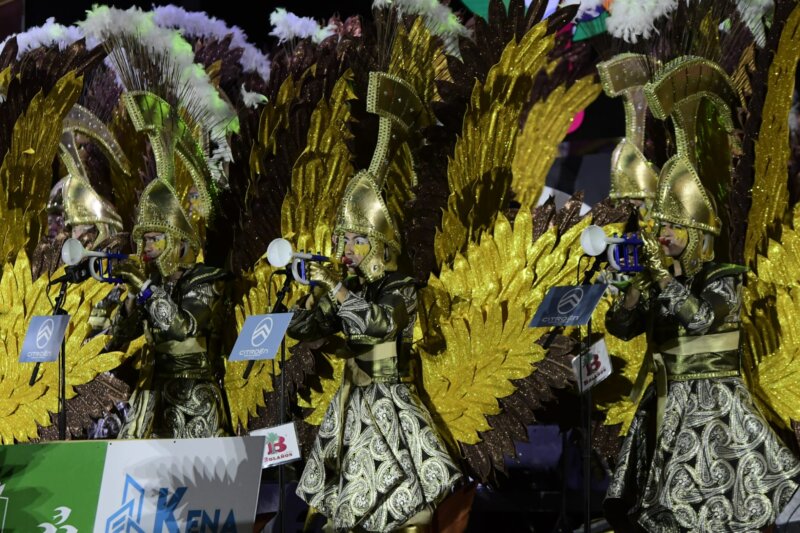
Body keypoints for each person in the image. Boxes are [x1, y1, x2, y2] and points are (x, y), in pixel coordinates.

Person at [603, 167, 800, 531]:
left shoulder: (723, 277)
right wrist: (630, 296)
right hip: (663, 395)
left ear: (695, 233)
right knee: (653, 502)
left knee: (709, 497)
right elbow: (622, 329)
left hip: (709, 400)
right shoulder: (658, 281)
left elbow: (701, 320)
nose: (662, 236)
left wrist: (662, 280)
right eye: (660, 228)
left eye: (670, 228)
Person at [288, 170, 462, 532]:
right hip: (350, 399)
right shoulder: (348, 288)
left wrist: (335, 287)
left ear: (378, 245)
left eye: (357, 240)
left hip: (387, 398)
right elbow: (305, 330)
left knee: (404, 503)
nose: (347, 249)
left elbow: (381, 324)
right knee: (341, 506)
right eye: (344, 240)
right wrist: (305, 297)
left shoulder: (399, 286)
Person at [108, 179, 231, 439]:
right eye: (143, 241)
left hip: (193, 393)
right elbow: (120, 336)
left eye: (154, 239)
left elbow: (182, 327)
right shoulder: (152, 285)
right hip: (150, 393)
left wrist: (145, 287)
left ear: (177, 241)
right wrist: (132, 293)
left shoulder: (206, 279)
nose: (146, 248)